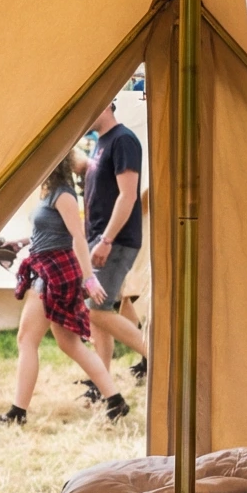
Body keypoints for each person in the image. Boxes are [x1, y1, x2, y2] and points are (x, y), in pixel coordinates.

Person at [0, 153, 130, 426]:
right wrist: (20, 243)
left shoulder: (64, 195)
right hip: (48, 268)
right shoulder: (50, 193)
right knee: (69, 343)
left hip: (55, 273)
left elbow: (77, 237)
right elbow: (47, 232)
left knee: (26, 339)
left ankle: (18, 412)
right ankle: (115, 400)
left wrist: (89, 279)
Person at [81, 94, 148, 382]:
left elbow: (128, 195)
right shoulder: (101, 143)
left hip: (117, 242)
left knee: (97, 311)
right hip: (100, 239)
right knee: (100, 312)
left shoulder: (123, 140)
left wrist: (106, 240)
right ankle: (102, 380)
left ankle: (158, 358)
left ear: (107, 104)